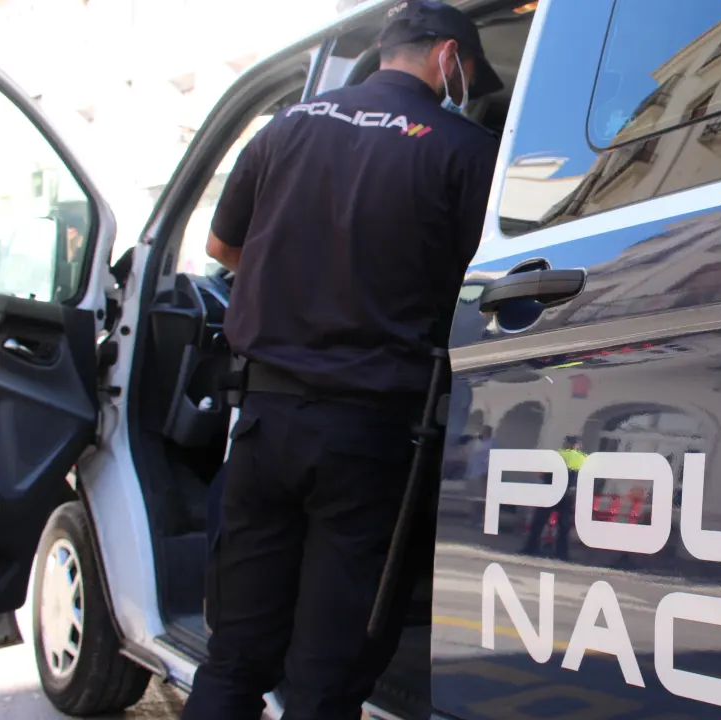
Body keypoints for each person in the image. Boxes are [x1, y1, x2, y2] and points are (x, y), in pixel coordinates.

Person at [181, 2, 501, 718]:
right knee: (327, 680)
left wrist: (295, 283)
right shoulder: (463, 148)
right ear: (448, 57)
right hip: (370, 436)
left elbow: (222, 247)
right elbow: (483, 285)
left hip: (264, 421)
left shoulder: (285, 127)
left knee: (234, 659)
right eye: (470, 73)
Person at [521, 436, 588, 560]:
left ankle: (531, 547)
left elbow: (542, 474)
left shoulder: (556, 455)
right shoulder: (584, 458)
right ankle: (561, 553)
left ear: (566, 444)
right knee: (564, 526)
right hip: (568, 494)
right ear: (578, 446)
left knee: (538, 522)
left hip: (550, 491)